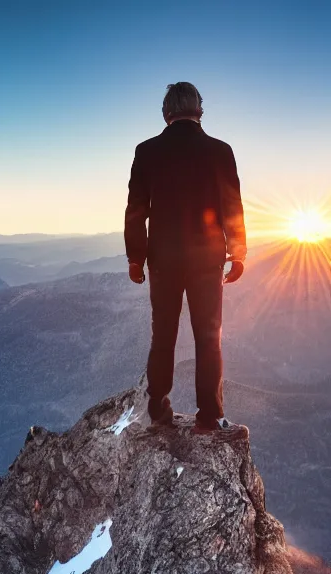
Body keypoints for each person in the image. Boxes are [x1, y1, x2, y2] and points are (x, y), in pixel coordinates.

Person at [124, 81, 247, 431]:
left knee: (162, 334)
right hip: (207, 260)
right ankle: (209, 416)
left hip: (162, 261)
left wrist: (136, 258)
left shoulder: (146, 152)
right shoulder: (220, 151)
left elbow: (136, 210)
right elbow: (232, 207)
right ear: (200, 111)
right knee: (209, 337)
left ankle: (159, 410)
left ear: (166, 114)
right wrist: (238, 252)